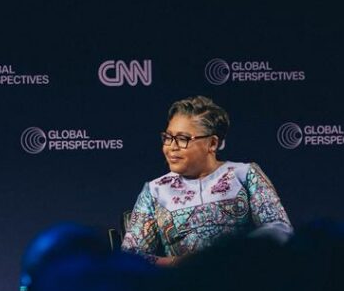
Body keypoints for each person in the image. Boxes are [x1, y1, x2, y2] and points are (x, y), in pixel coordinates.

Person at [121, 95, 291, 265]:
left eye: (182, 139)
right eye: (168, 137)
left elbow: (279, 230)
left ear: (212, 143)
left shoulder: (245, 175)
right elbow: (130, 256)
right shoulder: (155, 190)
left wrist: (234, 257)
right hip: (181, 285)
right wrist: (180, 264)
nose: (171, 147)